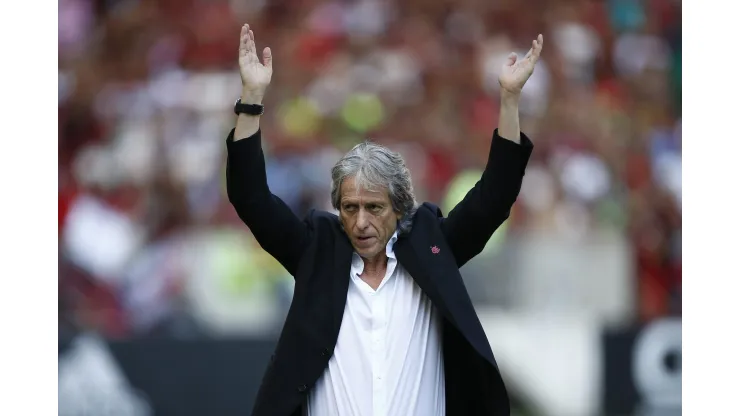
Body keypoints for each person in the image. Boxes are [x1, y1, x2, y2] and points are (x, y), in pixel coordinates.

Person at [226, 23, 542, 416]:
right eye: (349, 207)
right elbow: (251, 198)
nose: (360, 222)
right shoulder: (317, 252)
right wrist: (252, 99)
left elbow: (493, 198)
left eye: (373, 208)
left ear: (399, 207)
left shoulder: (431, 249)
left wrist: (509, 100)